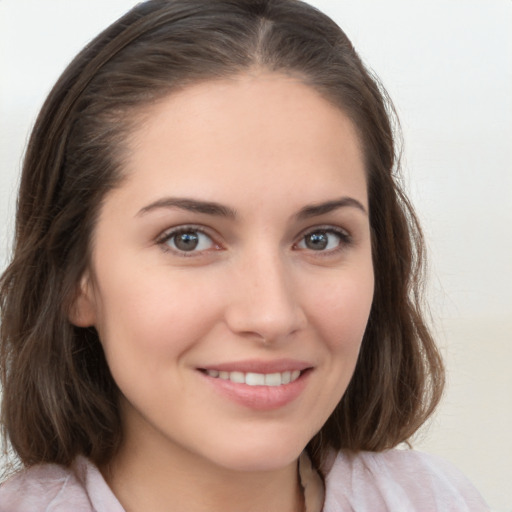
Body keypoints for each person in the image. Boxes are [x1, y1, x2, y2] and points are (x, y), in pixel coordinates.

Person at [0, 0, 489, 510]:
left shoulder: (436, 499)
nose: (272, 315)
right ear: (76, 276)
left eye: (320, 238)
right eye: (188, 238)